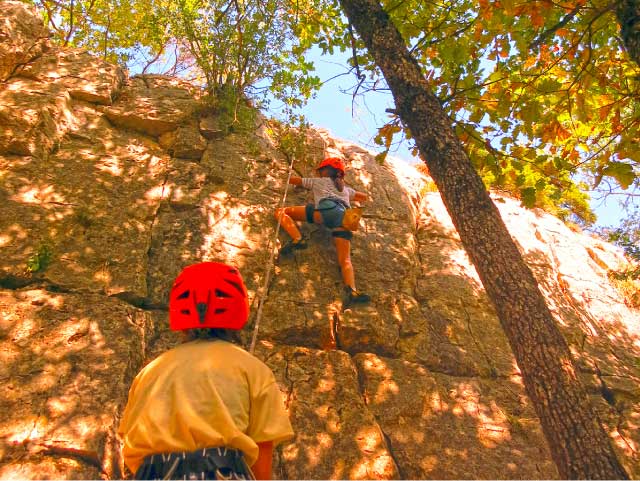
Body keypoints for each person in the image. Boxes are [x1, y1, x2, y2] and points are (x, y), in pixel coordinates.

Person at [118, 262, 294, 480]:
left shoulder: (149, 373)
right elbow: (262, 452)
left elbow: (131, 444)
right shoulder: (253, 370)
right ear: (239, 308)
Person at [274, 157, 371, 305]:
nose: (320, 173)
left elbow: (293, 180)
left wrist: (283, 172)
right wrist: (345, 195)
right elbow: (364, 197)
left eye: (322, 170)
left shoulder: (319, 181)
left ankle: (297, 238)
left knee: (280, 212)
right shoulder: (345, 189)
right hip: (344, 219)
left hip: (326, 211)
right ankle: (352, 290)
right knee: (345, 259)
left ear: (327, 171)